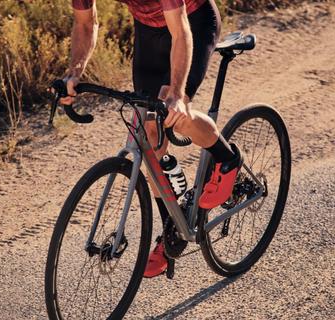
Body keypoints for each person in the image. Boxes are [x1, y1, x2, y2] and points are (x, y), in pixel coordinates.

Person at [61, 0, 242, 278]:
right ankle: (173, 230)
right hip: (148, 31)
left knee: (174, 112)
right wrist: (74, 72)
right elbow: (86, 23)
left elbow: (181, 32)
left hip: (192, 22)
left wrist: (178, 96)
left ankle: (227, 158)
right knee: (148, 133)